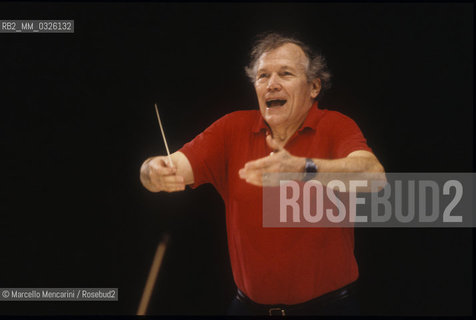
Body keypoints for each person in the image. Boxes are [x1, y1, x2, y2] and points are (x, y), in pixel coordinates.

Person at [140, 32, 384, 316]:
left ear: (314, 86)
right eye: (263, 76)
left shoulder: (336, 126)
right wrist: (151, 172)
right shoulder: (231, 129)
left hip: (329, 309)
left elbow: (374, 177)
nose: (272, 84)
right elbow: (169, 166)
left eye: (285, 73)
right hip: (249, 309)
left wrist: (303, 168)